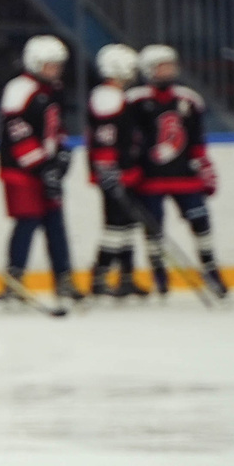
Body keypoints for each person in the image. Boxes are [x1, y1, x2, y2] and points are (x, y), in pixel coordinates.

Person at [119, 43, 230, 300]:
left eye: (171, 65)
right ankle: (159, 271)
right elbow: (127, 142)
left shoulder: (189, 99)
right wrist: (130, 170)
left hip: (185, 177)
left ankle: (210, 268)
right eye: (162, 67)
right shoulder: (135, 101)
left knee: (201, 222)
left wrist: (206, 169)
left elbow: (197, 143)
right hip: (150, 179)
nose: (169, 71)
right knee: (153, 228)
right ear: (148, 71)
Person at [0, 34, 80, 308]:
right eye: (49, 65)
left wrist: (62, 154)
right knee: (28, 222)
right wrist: (44, 166)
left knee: (55, 224)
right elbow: (17, 133)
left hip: (44, 168)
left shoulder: (52, 90)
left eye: (58, 65)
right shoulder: (19, 89)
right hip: (21, 172)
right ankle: (14, 280)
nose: (55, 70)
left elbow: (56, 126)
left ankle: (63, 278)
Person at [87, 44, 144, 299]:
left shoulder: (118, 95)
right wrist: (108, 170)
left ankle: (126, 277)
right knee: (115, 225)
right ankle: (100, 277)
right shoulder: (107, 96)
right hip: (114, 172)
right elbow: (104, 139)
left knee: (128, 224)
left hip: (125, 170)